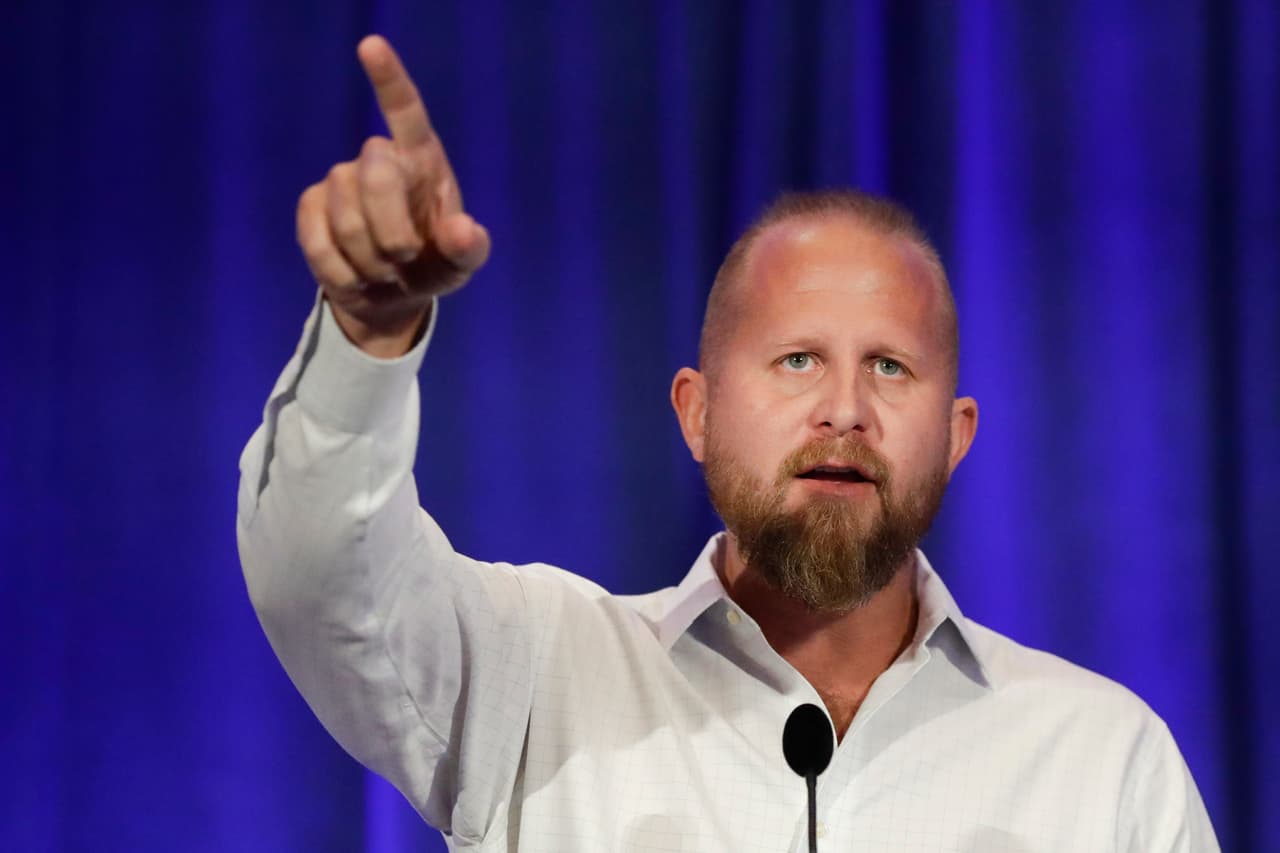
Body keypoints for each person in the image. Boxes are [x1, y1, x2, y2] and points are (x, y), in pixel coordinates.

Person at [237, 35, 1218, 852]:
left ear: (957, 435)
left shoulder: (1099, 757)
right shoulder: (534, 672)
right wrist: (367, 329)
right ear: (693, 411)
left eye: (888, 367)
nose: (843, 409)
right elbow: (322, 581)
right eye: (795, 360)